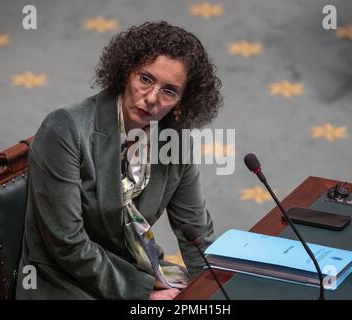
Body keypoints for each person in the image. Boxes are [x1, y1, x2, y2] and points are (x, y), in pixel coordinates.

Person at [16, 21, 223, 300]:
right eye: (145, 79)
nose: (151, 98)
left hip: (135, 265)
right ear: (127, 72)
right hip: (65, 279)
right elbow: (67, 244)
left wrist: (216, 288)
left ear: (183, 101)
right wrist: (144, 294)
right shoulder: (65, 128)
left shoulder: (174, 141)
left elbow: (196, 233)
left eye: (169, 91)